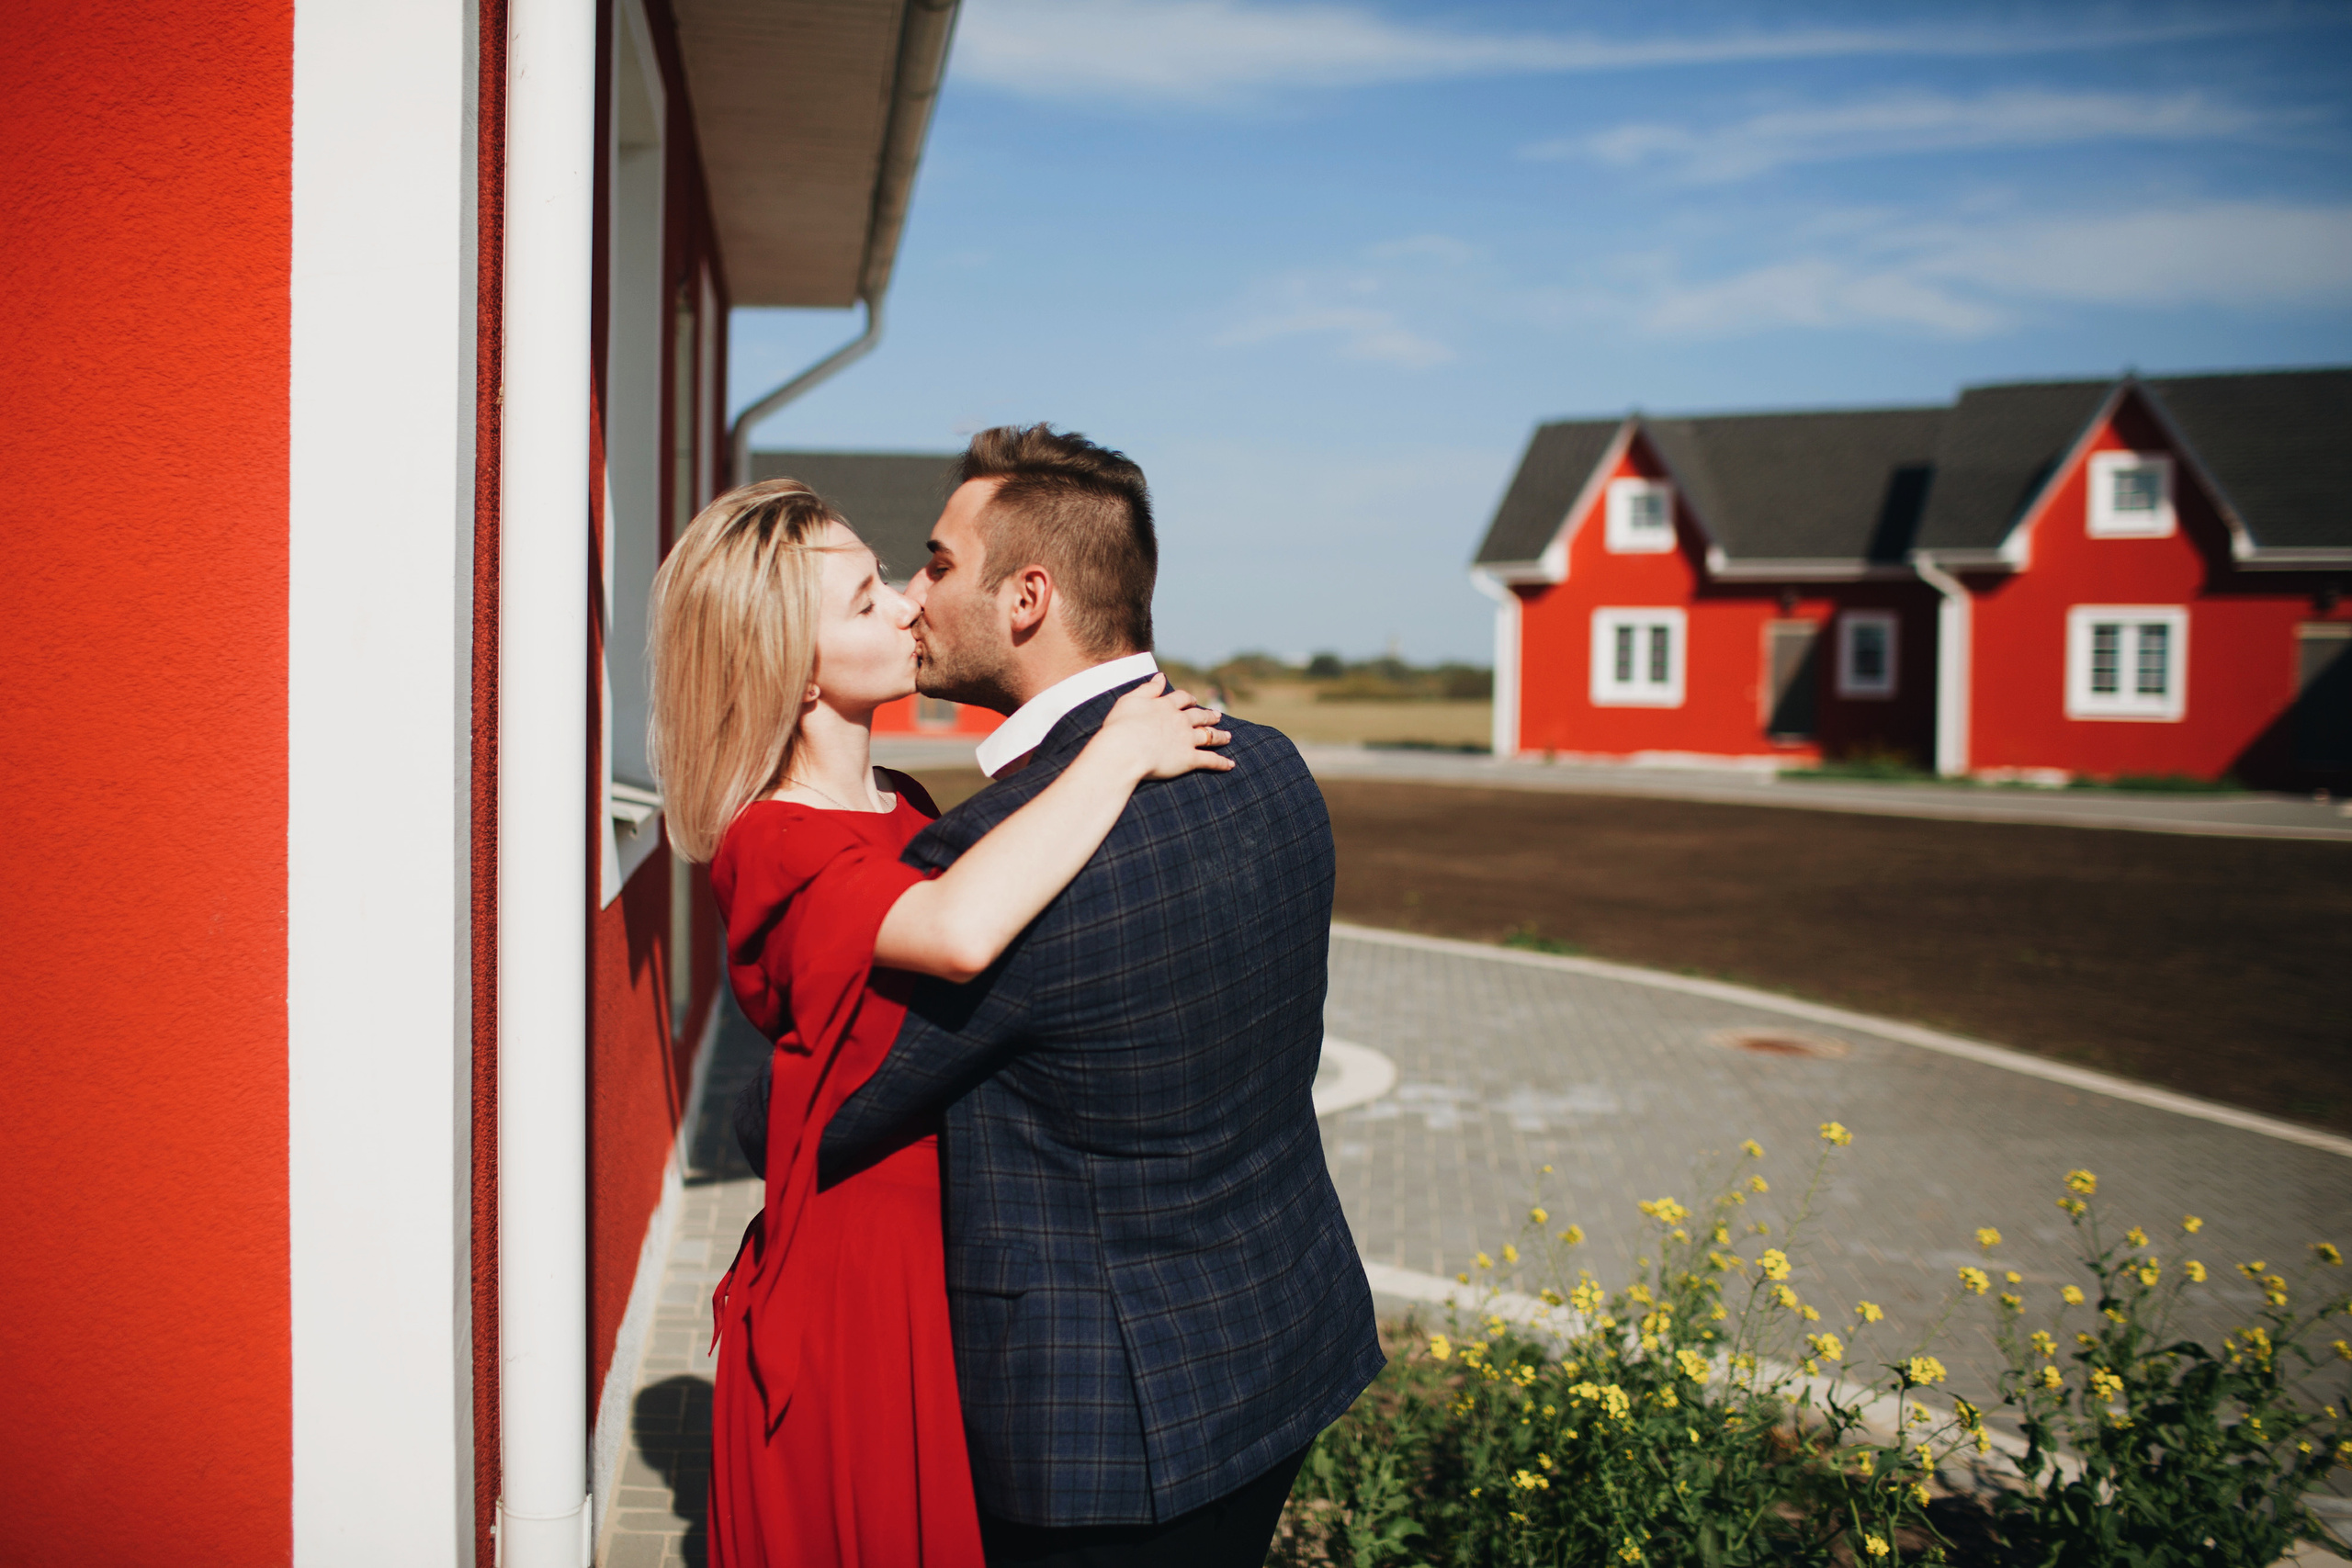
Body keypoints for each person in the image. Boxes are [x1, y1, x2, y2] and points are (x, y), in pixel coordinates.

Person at [814, 425, 1387, 1567]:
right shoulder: (1272, 764)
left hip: (1107, 1435)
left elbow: (831, 1107)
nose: (913, 597)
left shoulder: (994, 859)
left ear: (1026, 597)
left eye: (935, 563)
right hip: (1287, 1337)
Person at [646, 477, 1235, 1568]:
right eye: (868, 600)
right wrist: (1115, 750)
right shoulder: (772, 840)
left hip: (946, 1258)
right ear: (795, 665)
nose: (912, 606)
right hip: (857, 1288)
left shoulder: (905, 804)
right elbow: (961, 932)